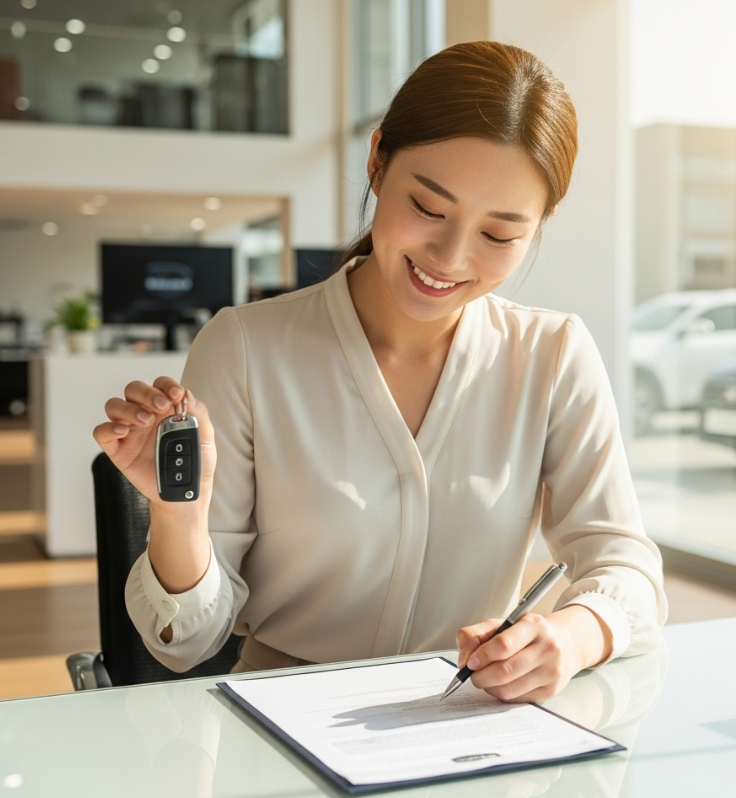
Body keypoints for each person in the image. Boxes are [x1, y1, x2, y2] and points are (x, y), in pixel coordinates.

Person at [95, 41, 667, 703]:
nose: (451, 257)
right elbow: (186, 641)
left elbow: (626, 566)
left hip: (466, 725)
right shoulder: (246, 348)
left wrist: (572, 635)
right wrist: (178, 516)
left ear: (540, 226)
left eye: (500, 235)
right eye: (427, 208)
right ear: (376, 161)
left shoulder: (554, 353)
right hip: (283, 720)